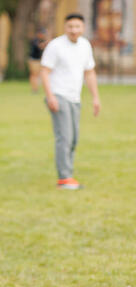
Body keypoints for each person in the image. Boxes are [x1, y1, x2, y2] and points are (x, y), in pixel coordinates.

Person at [40, 13, 100, 190]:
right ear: (65, 27)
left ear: (83, 28)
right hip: (58, 95)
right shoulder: (56, 46)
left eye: (77, 26)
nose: (74, 30)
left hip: (75, 98)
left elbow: (89, 73)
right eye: (70, 26)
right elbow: (44, 72)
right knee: (64, 137)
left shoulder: (85, 45)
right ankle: (64, 179)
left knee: (73, 139)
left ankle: (68, 176)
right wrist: (50, 96)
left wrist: (95, 97)